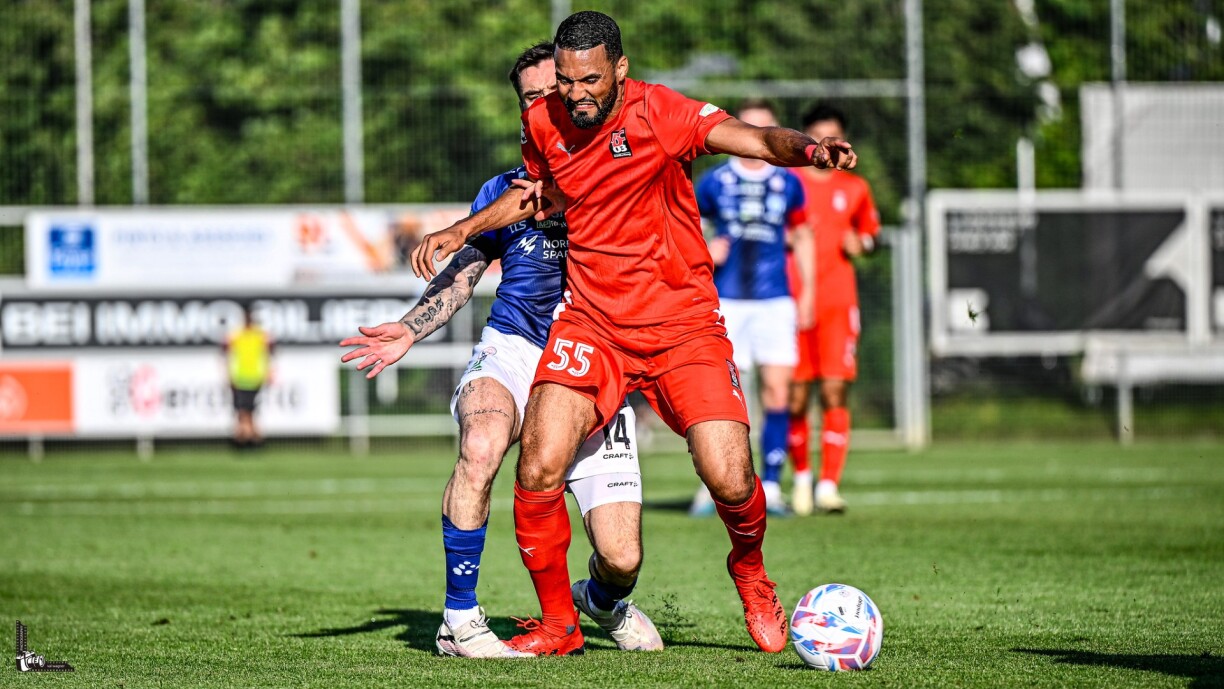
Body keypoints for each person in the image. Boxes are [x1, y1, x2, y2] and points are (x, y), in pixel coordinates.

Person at [411, 11, 856, 657]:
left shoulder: (661, 112)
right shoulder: (546, 121)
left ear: (619, 69)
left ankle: (750, 569)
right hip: (593, 323)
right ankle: (560, 624)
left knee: (730, 476)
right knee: (538, 463)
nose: (576, 94)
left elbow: (757, 140)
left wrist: (810, 150)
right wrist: (463, 229)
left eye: (589, 80)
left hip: (683, 324)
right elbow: (541, 195)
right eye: (566, 81)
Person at [340, 42, 662, 659]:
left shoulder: (620, 175)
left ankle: (600, 600)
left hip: (592, 359)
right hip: (514, 347)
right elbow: (463, 274)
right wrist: (409, 328)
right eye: (531, 98)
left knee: (621, 557)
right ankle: (459, 619)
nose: (543, 106)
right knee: (482, 444)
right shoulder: (500, 191)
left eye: (554, 94)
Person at [689, 99, 815, 518]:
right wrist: (706, 249)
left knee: (779, 390)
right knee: (726, 398)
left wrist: (808, 293)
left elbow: (804, 237)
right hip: (726, 300)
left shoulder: (789, 181)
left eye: (767, 128)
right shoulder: (714, 181)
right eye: (752, 127)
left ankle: (772, 486)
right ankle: (718, 485)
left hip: (775, 300)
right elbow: (685, 226)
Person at [786, 104, 881, 515]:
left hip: (838, 303)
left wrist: (863, 244)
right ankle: (801, 479)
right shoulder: (787, 181)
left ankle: (828, 485)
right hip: (791, 302)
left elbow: (872, 234)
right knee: (794, 395)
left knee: (834, 390)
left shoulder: (855, 188)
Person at [224, 305, 274, 449]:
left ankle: (248, 440)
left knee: (247, 412)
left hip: (253, 378)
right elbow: (227, 356)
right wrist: (229, 374)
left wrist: (269, 372)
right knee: (244, 412)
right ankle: (249, 439)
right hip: (240, 378)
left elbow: (268, 354)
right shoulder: (237, 335)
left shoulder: (259, 336)